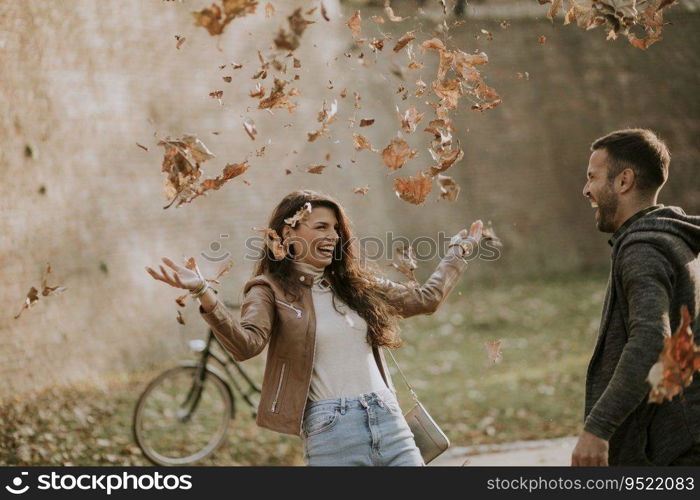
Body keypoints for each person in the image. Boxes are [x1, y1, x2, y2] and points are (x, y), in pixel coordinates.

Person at [146, 189, 483, 466]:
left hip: (389, 420)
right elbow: (245, 345)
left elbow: (425, 299)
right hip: (333, 431)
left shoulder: (354, 284)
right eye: (321, 227)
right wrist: (203, 292)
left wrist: (459, 251)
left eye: (336, 229)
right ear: (289, 233)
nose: (333, 236)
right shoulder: (269, 289)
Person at [573, 128, 700, 466]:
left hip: (672, 452)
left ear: (624, 181)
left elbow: (649, 340)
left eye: (592, 177)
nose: (586, 189)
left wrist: (596, 430)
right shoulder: (675, 240)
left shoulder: (643, 248)